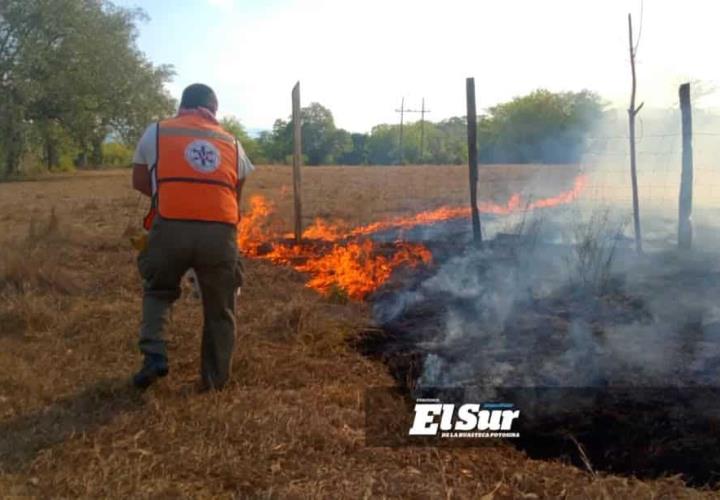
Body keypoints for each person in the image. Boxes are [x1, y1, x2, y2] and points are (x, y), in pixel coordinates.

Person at [131, 83, 254, 391]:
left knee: (158, 289)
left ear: (181, 105)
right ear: (213, 109)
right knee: (221, 306)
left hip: (171, 225)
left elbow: (140, 180)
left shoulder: (157, 132)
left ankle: (154, 355)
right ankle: (215, 380)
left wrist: (176, 194)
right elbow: (234, 193)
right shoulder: (233, 142)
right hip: (220, 232)